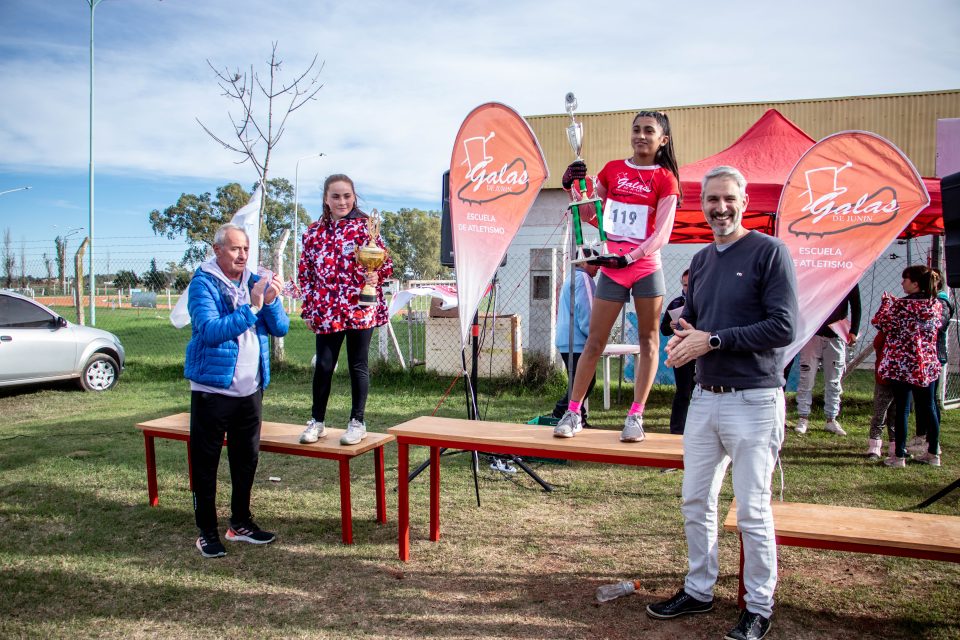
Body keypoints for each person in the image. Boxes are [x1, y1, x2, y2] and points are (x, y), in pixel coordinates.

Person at [647, 166, 797, 640]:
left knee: (752, 510)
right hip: (705, 399)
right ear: (703, 204)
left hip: (754, 399)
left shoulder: (770, 253)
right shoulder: (704, 260)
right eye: (712, 200)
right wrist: (681, 321)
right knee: (696, 500)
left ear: (744, 200)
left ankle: (758, 605)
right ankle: (699, 589)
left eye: (728, 199)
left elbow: (783, 327)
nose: (720, 208)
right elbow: (699, 318)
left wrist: (711, 341)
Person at [554, 110, 681, 441]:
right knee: (593, 342)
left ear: (662, 140)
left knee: (649, 340)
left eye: (649, 131)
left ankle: (635, 416)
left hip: (644, 266)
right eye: (636, 129)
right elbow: (592, 216)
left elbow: (662, 234)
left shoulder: (666, 179)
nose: (641, 135)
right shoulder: (613, 170)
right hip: (613, 267)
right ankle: (573, 411)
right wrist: (572, 187)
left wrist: (632, 256)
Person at [184, 223, 289, 558]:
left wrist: (270, 301)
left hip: (250, 390)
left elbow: (281, 327)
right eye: (234, 248)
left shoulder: (253, 281)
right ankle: (206, 531)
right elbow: (210, 331)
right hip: (212, 390)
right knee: (206, 463)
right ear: (217, 251)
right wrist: (253, 307)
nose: (242, 255)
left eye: (245, 248)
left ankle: (240, 523)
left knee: (246, 460)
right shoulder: (203, 284)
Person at [298, 174, 393, 446]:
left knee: (358, 365)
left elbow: (384, 264)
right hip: (327, 308)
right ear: (326, 199)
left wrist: (376, 277)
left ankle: (357, 422)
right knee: (324, 365)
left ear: (354, 197)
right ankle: (317, 421)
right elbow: (305, 273)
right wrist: (308, 308)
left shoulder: (367, 227)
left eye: (347, 196)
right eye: (336, 196)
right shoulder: (313, 232)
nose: (342, 201)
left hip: (360, 306)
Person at [873, 265, 943, 468]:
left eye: (905, 279)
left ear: (915, 283)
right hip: (926, 364)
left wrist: (886, 303)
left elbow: (880, 322)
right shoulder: (935, 304)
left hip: (902, 364)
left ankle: (899, 456)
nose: (902, 283)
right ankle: (933, 453)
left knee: (902, 408)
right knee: (928, 406)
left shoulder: (901, 305)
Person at [794, 284, 861, 436]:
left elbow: (856, 304)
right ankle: (803, 417)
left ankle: (831, 419)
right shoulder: (819, 271)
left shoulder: (848, 274)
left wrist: (853, 331)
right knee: (806, 378)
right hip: (812, 333)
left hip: (836, 335)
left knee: (834, 380)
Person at [906, 268, 953, 455]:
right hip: (920, 357)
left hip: (932, 356)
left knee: (929, 400)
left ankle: (933, 443)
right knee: (921, 400)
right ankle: (922, 435)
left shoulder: (941, 301)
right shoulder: (925, 301)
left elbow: (939, 324)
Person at [552, 251, 601, 425]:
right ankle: (560, 412)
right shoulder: (584, 279)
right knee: (585, 382)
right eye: (595, 262)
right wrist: (595, 336)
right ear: (582, 262)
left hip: (569, 339)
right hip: (578, 341)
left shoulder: (573, 277)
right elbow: (587, 310)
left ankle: (579, 416)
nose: (598, 267)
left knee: (579, 381)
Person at [660, 268, 694, 435]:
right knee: (683, 391)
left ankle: (697, 426)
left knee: (700, 392)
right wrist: (671, 326)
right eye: (685, 285)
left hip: (700, 352)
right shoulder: (675, 303)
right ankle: (677, 429)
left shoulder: (706, 301)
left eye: (690, 284)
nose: (687, 288)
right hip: (680, 352)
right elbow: (664, 329)